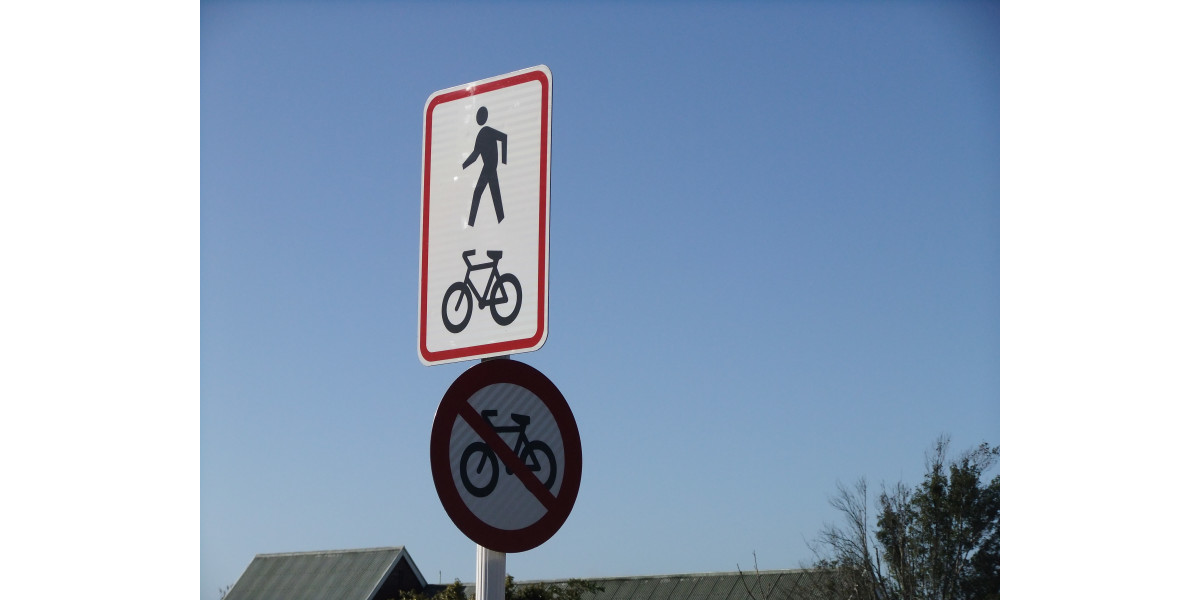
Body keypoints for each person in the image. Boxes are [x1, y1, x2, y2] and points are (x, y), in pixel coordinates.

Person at [462, 106, 508, 226]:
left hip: (490, 166)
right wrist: (462, 167)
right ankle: (501, 220)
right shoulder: (480, 135)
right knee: (494, 194)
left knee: (479, 193)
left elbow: (504, 137)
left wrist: (504, 161)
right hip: (488, 167)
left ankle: (471, 223)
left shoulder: (487, 130)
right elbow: (475, 155)